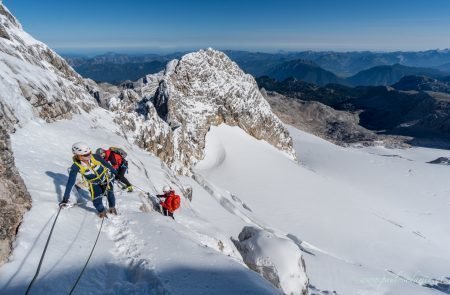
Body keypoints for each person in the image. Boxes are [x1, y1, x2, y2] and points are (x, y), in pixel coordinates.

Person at [59, 142, 118, 218]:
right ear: (78, 155)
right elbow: (70, 183)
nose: (89, 156)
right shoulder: (75, 167)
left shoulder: (95, 157)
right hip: (94, 183)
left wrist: (116, 174)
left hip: (106, 178)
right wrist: (65, 199)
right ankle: (101, 212)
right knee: (96, 199)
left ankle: (112, 208)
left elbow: (107, 165)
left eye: (89, 153)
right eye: (85, 155)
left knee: (110, 193)